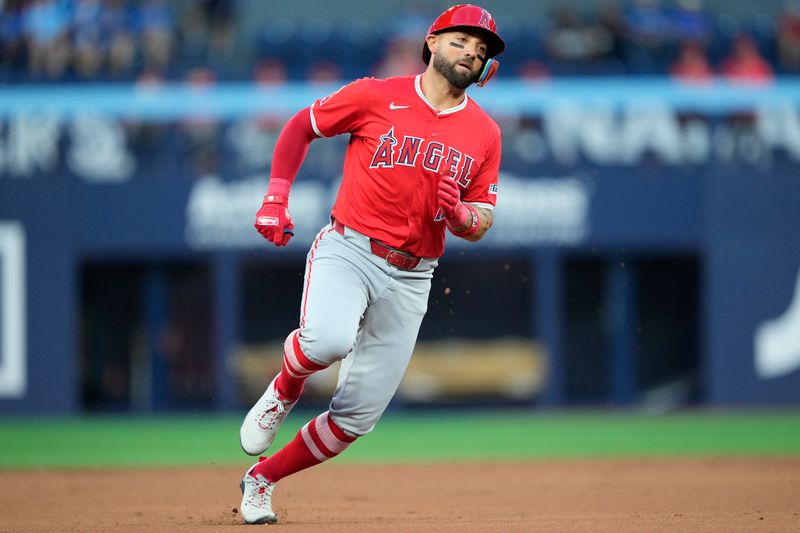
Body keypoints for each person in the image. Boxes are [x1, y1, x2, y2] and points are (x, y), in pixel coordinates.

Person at [238, 4, 505, 525]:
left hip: (414, 274)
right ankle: (284, 388)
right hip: (351, 248)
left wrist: (458, 214)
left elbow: (481, 222)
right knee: (327, 340)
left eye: (480, 50)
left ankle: (261, 479)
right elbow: (301, 127)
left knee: (356, 419)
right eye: (459, 42)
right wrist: (275, 196)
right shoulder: (375, 94)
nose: (470, 53)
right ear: (430, 44)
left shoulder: (485, 133)